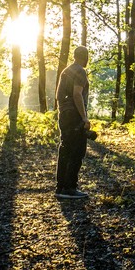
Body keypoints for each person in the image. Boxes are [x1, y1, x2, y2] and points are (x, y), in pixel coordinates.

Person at [55, 46, 91, 199]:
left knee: (65, 149)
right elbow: (77, 94)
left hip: (64, 114)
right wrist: (84, 118)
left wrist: (63, 111)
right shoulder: (80, 71)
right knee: (77, 151)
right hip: (74, 116)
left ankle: (61, 187)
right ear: (85, 57)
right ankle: (70, 188)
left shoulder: (66, 71)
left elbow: (58, 95)